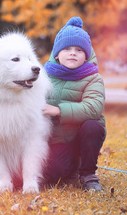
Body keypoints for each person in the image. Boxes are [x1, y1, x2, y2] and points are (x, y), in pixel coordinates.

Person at [42, 16, 106, 191]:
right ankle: (70, 166)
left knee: (93, 126)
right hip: (56, 140)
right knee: (56, 174)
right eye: (67, 49)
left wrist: (58, 110)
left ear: (86, 55)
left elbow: (94, 108)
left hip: (79, 139)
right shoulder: (43, 76)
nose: (72, 53)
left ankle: (88, 174)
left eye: (78, 50)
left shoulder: (93, 78)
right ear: (57, 53)